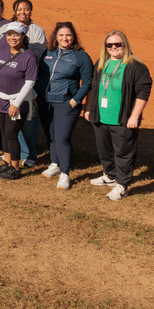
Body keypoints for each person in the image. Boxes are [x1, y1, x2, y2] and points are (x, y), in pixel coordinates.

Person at [83, 30, 152, 201]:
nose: (114, 47)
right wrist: (89, 108)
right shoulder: (101, 63)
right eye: (110, 45)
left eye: (118, 44)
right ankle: (110, 175)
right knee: (104, 149)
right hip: (101, 117)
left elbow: (143, 92)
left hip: (122, 119)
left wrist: (135, 116)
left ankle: (122, 185)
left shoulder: (135, 65)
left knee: (123, 153)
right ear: (105, 47)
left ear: (125, 44)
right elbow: (93, 87)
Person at [37, 22, 94, 190]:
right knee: (51, 134)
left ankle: (65, 173)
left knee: (62, 138)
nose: (65, 38)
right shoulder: (48, 52)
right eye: (61, 35)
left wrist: (75, 100)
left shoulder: (80, 56)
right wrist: (37, 93)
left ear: (73, 37)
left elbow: (88, 81)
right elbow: (40, 74)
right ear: (55, 36)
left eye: (68, 35)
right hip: (45, 101)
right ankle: (55, 164)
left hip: (66, 103)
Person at [0, 22, 38, 181]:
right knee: (4, 133)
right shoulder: (2, 50)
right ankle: (7, 163)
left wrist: (16, 103)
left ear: (23, 36)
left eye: (16, 34)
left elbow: (30, 82)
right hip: (0, 99)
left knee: (12, 134)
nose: (12, 37)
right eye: (9, 34)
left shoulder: (28, 56)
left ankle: (15, 167)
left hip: (16, 102)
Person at [12, 0, 48, 167]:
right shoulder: (7, 28)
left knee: (29, 119)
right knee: (12, 118)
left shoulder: (37, 31)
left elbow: (38, 56)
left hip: (30, 80)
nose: (23, 12)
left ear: (31, 11)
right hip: (10, 79)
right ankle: (14, 152)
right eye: (19, 9)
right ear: (14, 11)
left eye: (26, 9)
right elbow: (0, 52)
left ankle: (30, 155)